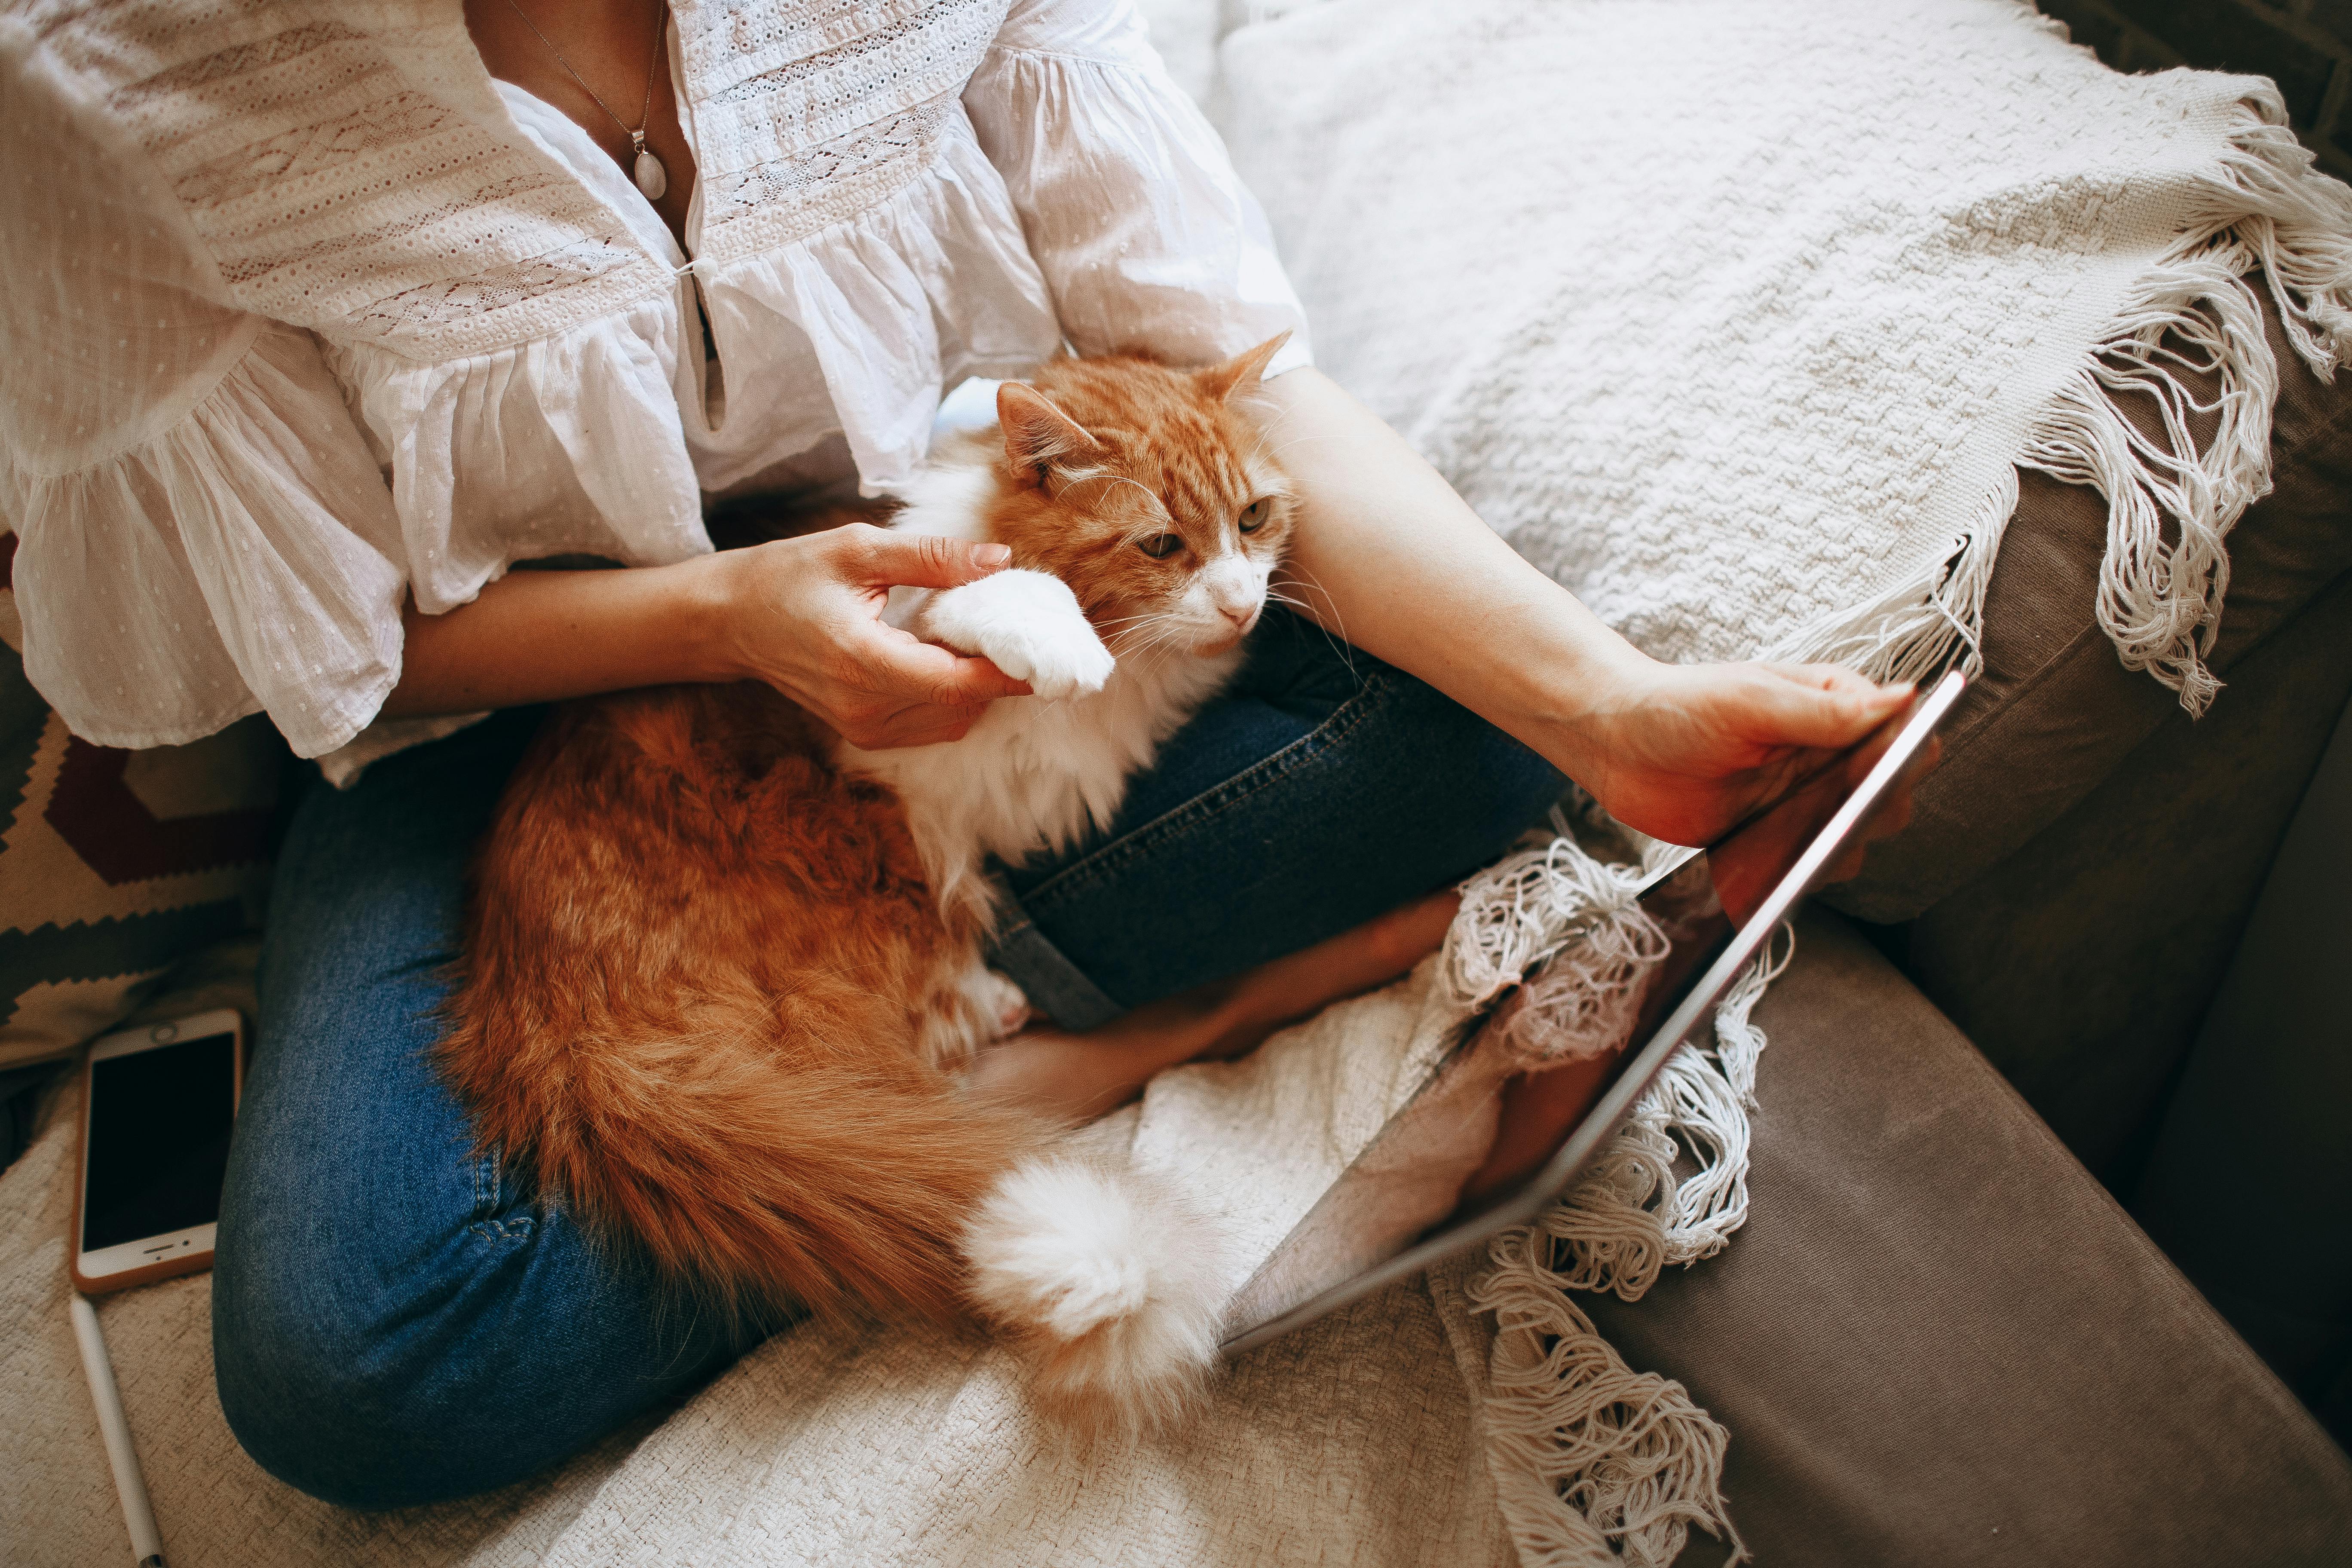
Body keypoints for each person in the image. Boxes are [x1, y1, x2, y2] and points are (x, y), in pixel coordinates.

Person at [0, 0, 1908, 1508]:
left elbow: (1225, 379)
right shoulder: (101, 72)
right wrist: (728, 615)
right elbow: (330, 647)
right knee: (358, 1362)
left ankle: (948, 1054)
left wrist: (1606, 708)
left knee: (1487, 736)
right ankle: (1093, 1056)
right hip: (501, 722)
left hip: (1000, 601)